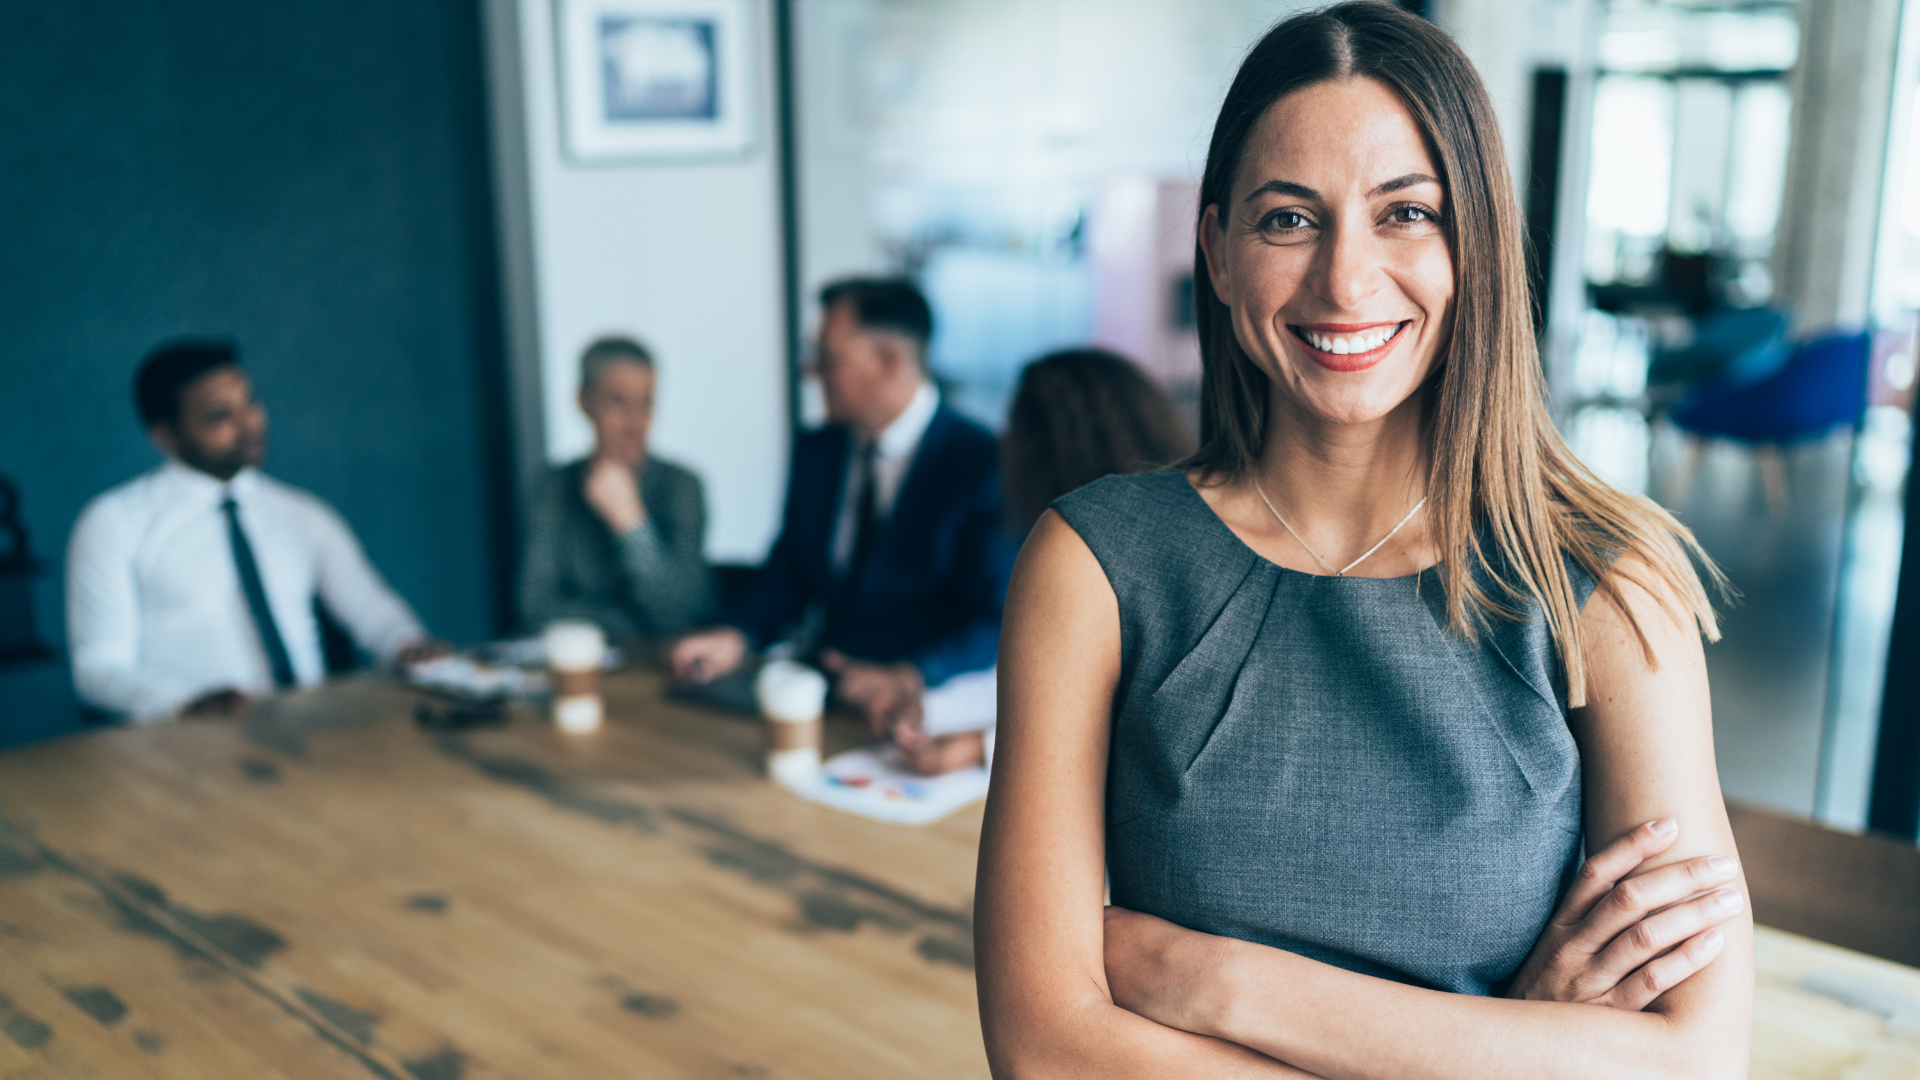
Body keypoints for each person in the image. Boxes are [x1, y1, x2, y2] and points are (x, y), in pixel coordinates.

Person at [976, 5, 1753, 1079]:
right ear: (1217, 249)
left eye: (1407, 214)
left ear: (1474, 241)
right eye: (1289, 220)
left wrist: (1217, 983)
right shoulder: (1095, 567)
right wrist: (1514, 1044)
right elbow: (1045, 1051)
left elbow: (1695, 1060)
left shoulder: (1609, 582)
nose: (1345, 280)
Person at [668, 278, 1013, 735]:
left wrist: (908, 674)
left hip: (919, 715)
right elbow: (790, 568)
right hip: (821, 696)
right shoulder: (819, 449)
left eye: (827, 358)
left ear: (890, 361)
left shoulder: (981, 462)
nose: (812, 372)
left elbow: (997, 618)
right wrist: (736, 637)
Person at [67, 339, 444, 721]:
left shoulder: (302, 513)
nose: (249, 424)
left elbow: (371, 609)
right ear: (166, 434)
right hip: (187, 741)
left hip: (310, 729)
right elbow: (98, 669)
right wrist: (185, 705)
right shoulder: (114, 522)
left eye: (250, 402)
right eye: (219, 416)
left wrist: (407, 644)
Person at [883, 347, 1195, 775]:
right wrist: (938, 707)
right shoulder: (1103, 539)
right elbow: (1060, 679)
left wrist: (981, 746)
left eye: (1015, 430)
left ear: (1056, 451)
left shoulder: (1138, 565)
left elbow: (1133, 726)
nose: (1005, 445)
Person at [519, 336, 716, 640]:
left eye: (646, 403)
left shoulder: (682, 487)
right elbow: (534, 606)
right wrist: (634, 625)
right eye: (618, 402)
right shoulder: (552, 487)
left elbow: (677, 612)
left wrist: (629, 521)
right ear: (584, 401)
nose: (635, 422)